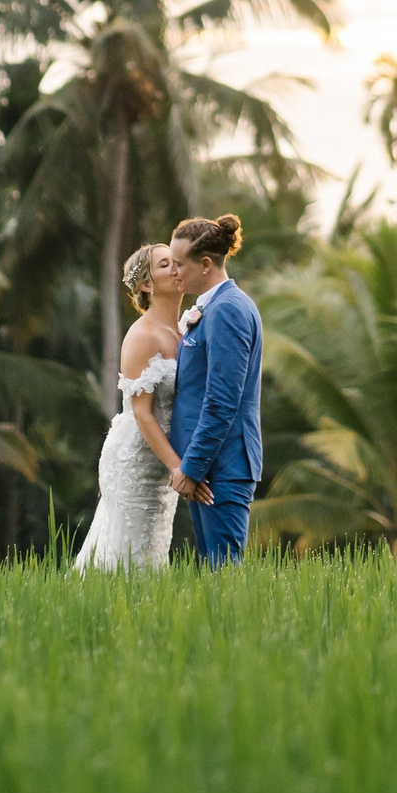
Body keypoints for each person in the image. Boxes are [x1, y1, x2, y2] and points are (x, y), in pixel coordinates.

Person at [72, 244, 186, 571]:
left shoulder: (183, 330)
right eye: (166, 265)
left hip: (161, 461)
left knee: (153, 548)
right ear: (147, 284)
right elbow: (141, 412)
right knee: (128, 553)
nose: (177, 269)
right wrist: (178, 467)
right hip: (136, 459)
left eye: (178, 263)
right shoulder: (143, 336)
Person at [163, 213, 263, 565]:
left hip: (223, 466)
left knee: (224, 582)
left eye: (178, 264)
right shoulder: (212, 307)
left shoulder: (228, 311)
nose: (173, 271)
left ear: (205, 264)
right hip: (209, 467)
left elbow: (222, 400)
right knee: (212, 583)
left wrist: (191, 468)